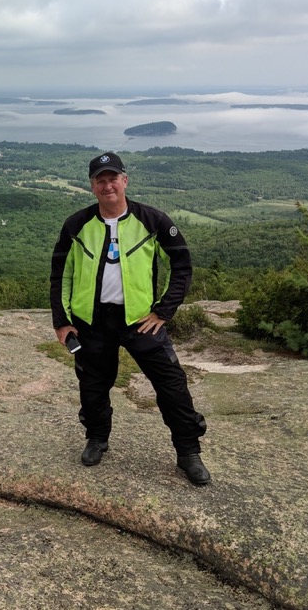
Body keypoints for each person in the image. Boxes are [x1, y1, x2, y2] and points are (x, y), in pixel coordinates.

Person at [49, 152, 210, 485]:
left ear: (124, 180)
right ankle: (97, 438)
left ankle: (188, 452)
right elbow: (60, 275)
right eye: (100, 180)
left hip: (140, 320)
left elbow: (181, 265)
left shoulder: (153, 221)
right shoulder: (77, 225)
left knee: (171, 384)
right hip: (92, 321)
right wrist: (62, 321)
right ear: (92, 186)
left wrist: (164, 311)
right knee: (93, 386)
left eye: (113, 178)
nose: (107, 185)